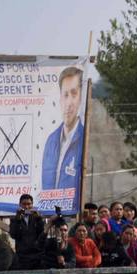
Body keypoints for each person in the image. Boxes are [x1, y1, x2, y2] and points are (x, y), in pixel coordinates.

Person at [41, 67, 85, 196]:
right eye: (65, 95)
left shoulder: (83, 140)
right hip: (50, 213)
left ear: (81, 99)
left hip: (71, 213)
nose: (68, 103)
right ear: (60, 99)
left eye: (74, 94)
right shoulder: (51, 141)